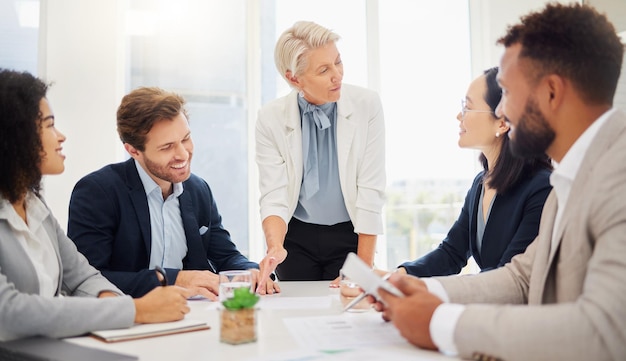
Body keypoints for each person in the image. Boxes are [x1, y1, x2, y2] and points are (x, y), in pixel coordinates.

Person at [374, 3, 626, 361]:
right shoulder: (571, 178)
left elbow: (605, 332)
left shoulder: (618, 177)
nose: (503, 111)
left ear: (551, 93)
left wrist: (440, 322)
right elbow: (522, 279)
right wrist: (423, 288)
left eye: (507, 91)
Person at [0, 69, 192, 341]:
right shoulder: (99, 189)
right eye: (49, 124)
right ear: (14, 137)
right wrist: (135, 310)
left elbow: (83, 277)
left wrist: (115, 305)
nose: (61, 136)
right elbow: (8, 312)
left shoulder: (33, 205)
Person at [67, 87, 279, 299]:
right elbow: (86, 280)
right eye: (167, 147)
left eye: (185, 138)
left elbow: (225, 255)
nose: (183, 154)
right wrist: (174, 279)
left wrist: (250, 271)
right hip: (132, 318)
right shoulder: (98, 192)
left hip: (193, 314)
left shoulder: (198, 189)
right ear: (133, 150)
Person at [255, 21, 386, 289]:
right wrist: (275, 248)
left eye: (338, 62)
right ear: (294, 78)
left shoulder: (367, 105)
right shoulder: (270, 118)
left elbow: (370, 190)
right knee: (296, 312)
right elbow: (274, 194)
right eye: (324, 70)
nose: (337, 75)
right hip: (296, 236)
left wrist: (362, 266)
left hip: (350, 233)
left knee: (350, 310)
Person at [396, 67, 552, 277]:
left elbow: (507, 278)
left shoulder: (541, 188)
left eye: (467, 107)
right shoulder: (481, 183)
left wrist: (431, 292)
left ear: (503, 122)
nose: (459, 115)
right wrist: (398, 275)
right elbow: (451, 253)